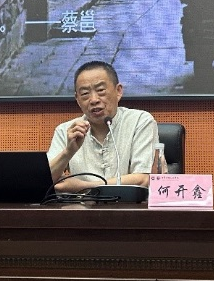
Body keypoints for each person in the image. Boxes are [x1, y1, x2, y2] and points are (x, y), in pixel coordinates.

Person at [47, 60, 158, 193]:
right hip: (81, 206)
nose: (94, 100)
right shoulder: (66, 130)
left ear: (118, 91)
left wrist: (84, 186)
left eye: (100, 90)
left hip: (128, 205)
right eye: (85, 94)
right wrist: (68, 152)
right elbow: (44, 181)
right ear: (77, 99)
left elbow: (144, 179)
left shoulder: (140, 121)